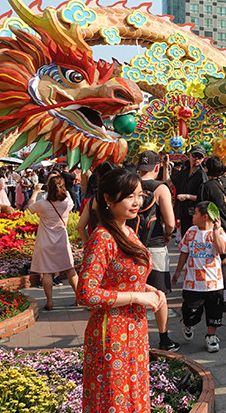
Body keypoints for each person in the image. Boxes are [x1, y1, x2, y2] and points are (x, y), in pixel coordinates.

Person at [76, 168, 166, 412]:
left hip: (134, 328)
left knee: (133, 395)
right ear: (107, 199)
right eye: (129, 196)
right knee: (114, 398)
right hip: (111, 333)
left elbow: (122, 278)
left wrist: (148, 289)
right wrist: (137, 296)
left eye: (139, 195)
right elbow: (86, 293)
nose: (137, 202)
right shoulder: (102, 238)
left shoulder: (128, 231)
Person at [131, 151, 179, 352]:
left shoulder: (130, 184)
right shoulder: (160, 188)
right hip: (155, 243)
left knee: (133, 289)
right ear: (157, 168)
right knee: (159, 292)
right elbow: (169, 222)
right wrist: (168, 234)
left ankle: (133, 336)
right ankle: (164, 338)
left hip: (131, 244)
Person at [172, 201, 226, 353]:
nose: (193, 215)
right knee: (191, 313)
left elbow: (221, 250)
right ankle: (188, 324)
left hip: (214, 283)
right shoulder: (191, 231)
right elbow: (184, 251)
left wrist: (216, 231)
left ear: (205, 216)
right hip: (193, 283)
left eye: (196, 213)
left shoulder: (220, 232)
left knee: (214, 313)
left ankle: (211, 337)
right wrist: (178, 271)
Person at [198, 156, 226, 313]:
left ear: (208, 169)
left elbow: (203, 206)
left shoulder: (206, 186)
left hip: (218, 226)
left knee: (221, 261)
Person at [28, 175, 78, 310]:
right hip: (62, 240)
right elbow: (68, 196)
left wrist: (36, 191)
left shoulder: (42, 204)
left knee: (47, 272)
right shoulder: (68, 203)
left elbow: (30, 208)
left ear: (48, 188)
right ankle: (79, 298)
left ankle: (50, 302)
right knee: (69, 269)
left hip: (45, 242)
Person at [172, 145, 208, 237]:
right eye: (195, 155)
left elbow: (203, 197)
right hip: (183, 212)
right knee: (185, 240)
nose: (196, 159)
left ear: (203, 159)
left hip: (194, 214)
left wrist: (187, 196)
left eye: (200, 157)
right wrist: (165, 166)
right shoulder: (184, 171)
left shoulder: (202, 175)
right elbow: (170, 182)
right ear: (190, 155)